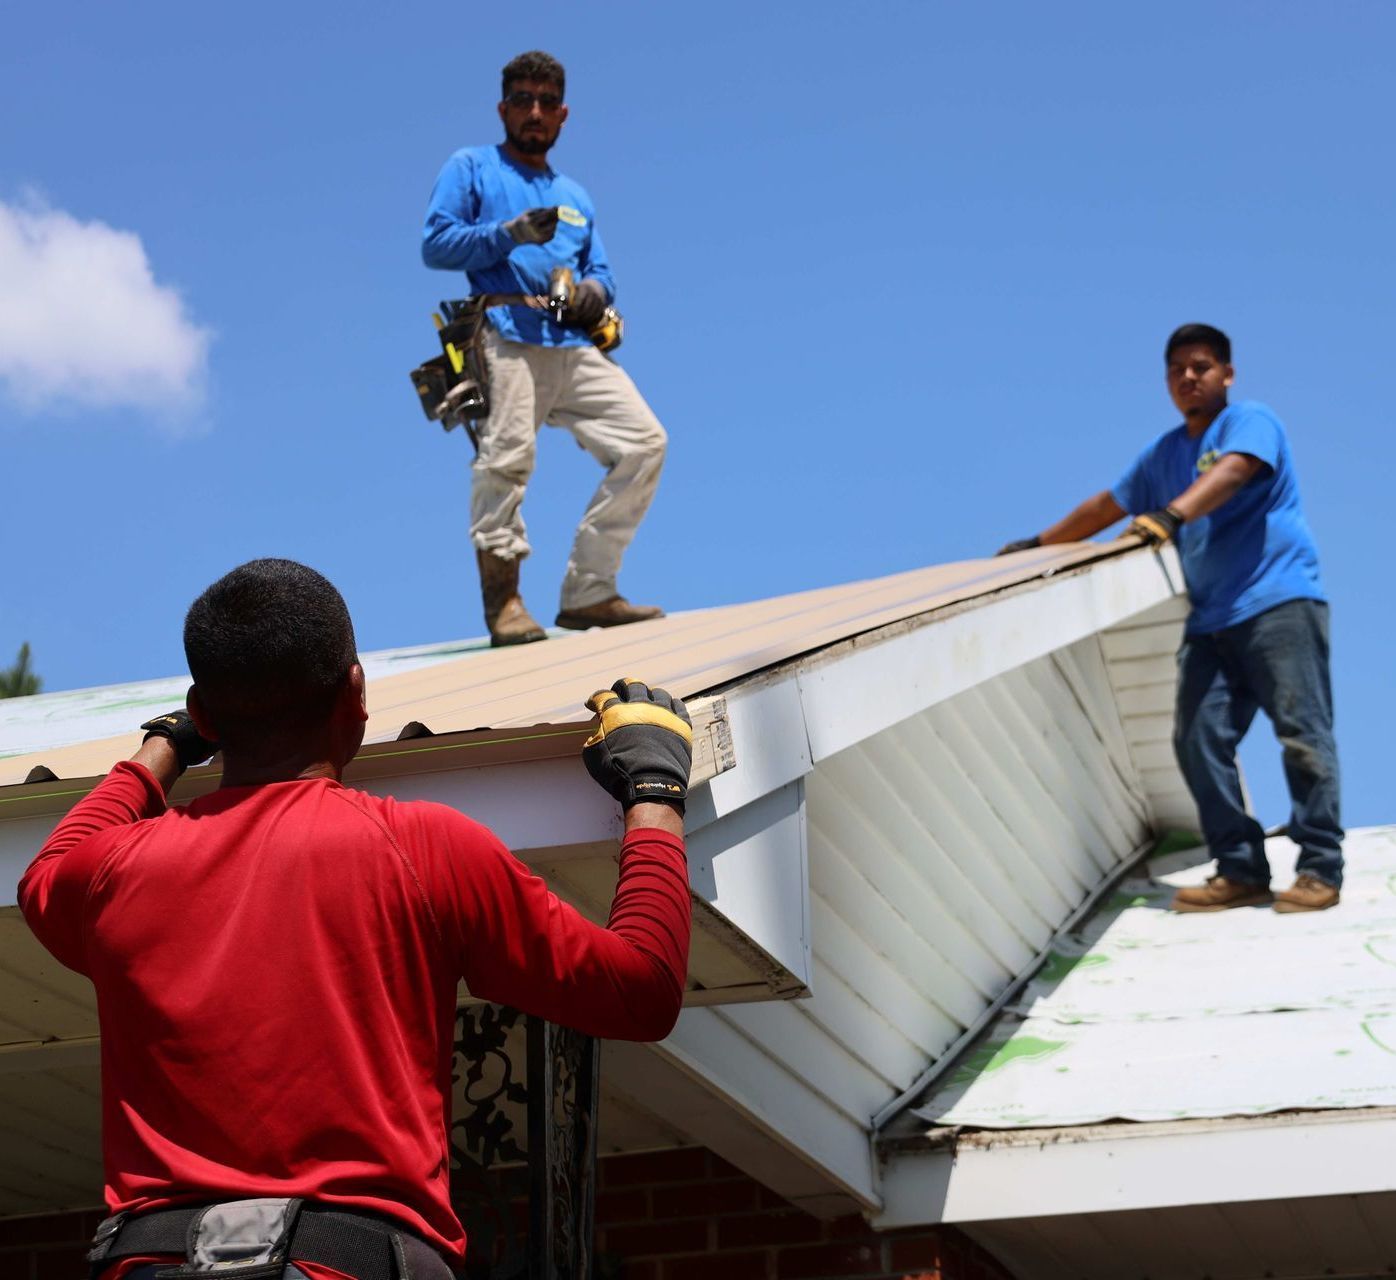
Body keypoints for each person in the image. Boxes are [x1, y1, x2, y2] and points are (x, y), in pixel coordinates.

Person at [18, 558, 694, 1280]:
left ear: (205, 713)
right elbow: (640, 990)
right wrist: (653, 786)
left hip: (151, 1261)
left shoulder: (113, 870)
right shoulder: (426, 847)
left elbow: (50, 868)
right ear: (356, 691)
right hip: (348, 1262)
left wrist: (165, 745)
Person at [997, 324, 1341, 913]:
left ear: (1226, 375)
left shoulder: (1250, 421)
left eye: (1201, 367)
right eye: (1177, 369)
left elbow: (1233, 471)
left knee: (1301, 734)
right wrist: (1037, 545)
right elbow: (1108, 506)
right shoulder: (1163, 454)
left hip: (1278, 602)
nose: (1188, 377)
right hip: (1211, 621)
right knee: (1196, 738)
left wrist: (1173, 515)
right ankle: (1241, 869)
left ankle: (1320, 870)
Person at [422, 50, 668, 647]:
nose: (535, 111)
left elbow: (602, 269)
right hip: (503, 332)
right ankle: (504, 604)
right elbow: (437, 243)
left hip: (569, 341)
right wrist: (507, 233)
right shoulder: (474, 167)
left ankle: (589, 593)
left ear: (564, 115)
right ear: (503, 108)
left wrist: (591, 290)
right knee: (505, 460)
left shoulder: (575, 196)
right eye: (523, 100)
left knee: (644, 443)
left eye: (547, 102)